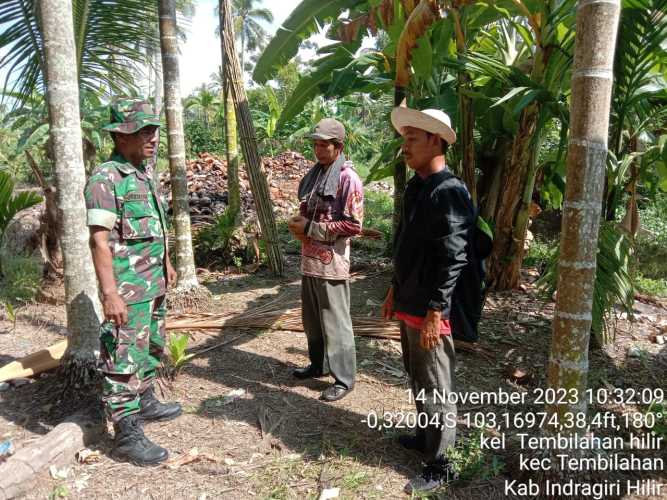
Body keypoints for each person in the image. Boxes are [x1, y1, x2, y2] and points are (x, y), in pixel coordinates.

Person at [382, 106, 479, 494]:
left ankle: (444, 463)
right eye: (404, 139)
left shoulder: (450, 191)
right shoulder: (416, 187)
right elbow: (406, 245)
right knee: (418, 376)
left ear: (435, 140)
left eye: (412, 139)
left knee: (437, 384)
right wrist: (393, 287)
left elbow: (455, 256)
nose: (405, 147)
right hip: (410, 300)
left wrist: (436, 311)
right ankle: (425, 439)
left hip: (431, 309)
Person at [85, 99, 182, 466]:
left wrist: (168, 263)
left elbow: (156, 227)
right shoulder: (105, 178)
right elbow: (99, 241)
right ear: (120, 136)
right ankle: (125, 431)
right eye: (143, 131)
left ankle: (145, 401)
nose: (153, 138)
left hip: (152, 284)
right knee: (123, 356)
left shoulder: (143, 174)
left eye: (154, 130)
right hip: (127, 289)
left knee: (151, 346)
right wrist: (110, 294)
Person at [288, 118, 364, 402]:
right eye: (316, 144)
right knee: (312, 320)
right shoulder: (317, 174)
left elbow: (353, 225)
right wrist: (299, 223)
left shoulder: (347, 178)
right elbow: (308, 208)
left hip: (332, 264)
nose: (318, 150)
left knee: (336, 322)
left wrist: (310, 228)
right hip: (310, 260)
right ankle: (317, 365)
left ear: (338, 147)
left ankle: (344, 379)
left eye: (324, 145)